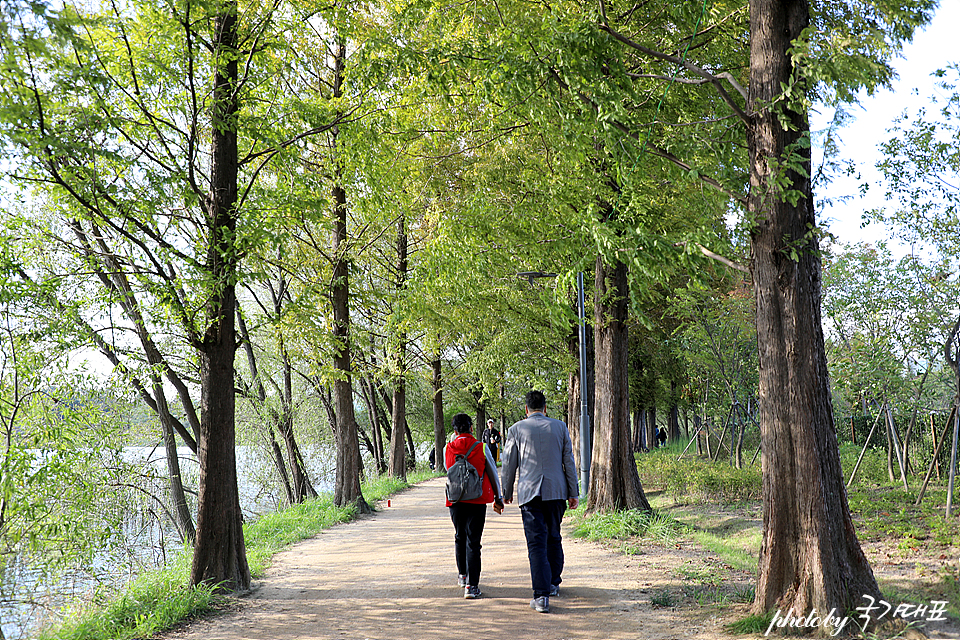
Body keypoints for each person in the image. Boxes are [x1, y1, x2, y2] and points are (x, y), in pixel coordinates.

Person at [500, 391, 579, 614]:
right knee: (554, 537)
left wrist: (506, 492)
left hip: (530, 494)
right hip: (556, 492)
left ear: (526, 409)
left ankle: (541, 596)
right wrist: (574, 492)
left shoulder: (516, 429)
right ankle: (553, 583)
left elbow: (509, 464)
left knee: (536, 544)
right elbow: (569, 463)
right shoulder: (560, 427)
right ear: (545, 408)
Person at [445, 413, 504, 599]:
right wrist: (498, 497)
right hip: (477, 500)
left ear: (454, 430)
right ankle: (472, 587)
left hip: (455, 501)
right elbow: (493, 473)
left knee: (459, 537)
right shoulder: (481, 447)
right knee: (474, 542)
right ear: (471, 428)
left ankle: (462, 576)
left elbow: (449, 471)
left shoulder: (448, 448)